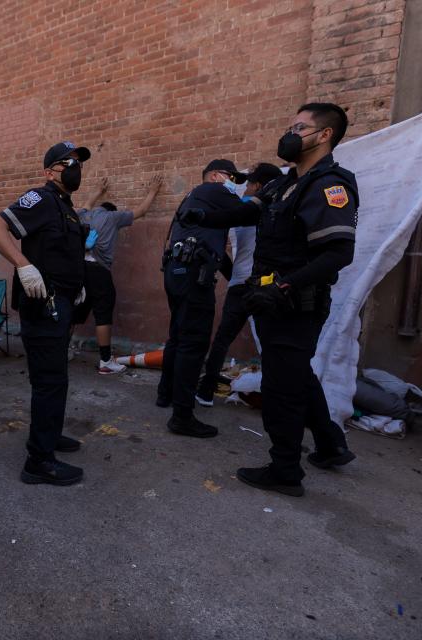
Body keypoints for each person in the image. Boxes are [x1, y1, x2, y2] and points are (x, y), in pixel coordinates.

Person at [179, 103, 358, 496]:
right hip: (269, 298)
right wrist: (200, 218)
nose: (290, 133)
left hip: (294, 302)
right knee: (296, 374)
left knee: (282, 387)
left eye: (299, 127)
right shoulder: (283, 182)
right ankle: (330, 446)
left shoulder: (329, 185)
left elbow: (337, 253)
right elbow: (247, 213)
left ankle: (285, 470)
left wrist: (284, 287)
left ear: (324, 135)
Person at [0, 141, 90, 486]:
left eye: (78, 162)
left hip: (62, 304)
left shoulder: (66, 207)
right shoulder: (40, 199)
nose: (75, 167)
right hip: (44, 306)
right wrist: (23, 265)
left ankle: (50, 436)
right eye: (67, 162)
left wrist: (78, 284)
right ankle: (38, 461)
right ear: (49, 172)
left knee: (56, 377)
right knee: (49, 381)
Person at [156, 159, 242, 437]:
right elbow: (248, 213)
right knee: (193, 343)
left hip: (176, 271)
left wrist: (236, 277)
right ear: (216, 175)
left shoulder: (195, 197)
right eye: (232, 178)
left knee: (179, 337)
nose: (234, 184)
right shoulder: (214, 191)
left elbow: (218, 251)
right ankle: (182, 416)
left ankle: (165, 394)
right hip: (194, 275)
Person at [195, 162, 282, 405]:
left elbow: (220, 249)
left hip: (241, 283)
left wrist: (233, 275)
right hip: (265, 284)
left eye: (250, 183)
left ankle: (205, 391)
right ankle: (276, 396)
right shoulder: (279, 211)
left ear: (259, 186)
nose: (246, 188)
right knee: (271, 343)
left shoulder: (242, 210)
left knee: (223, 339)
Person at [73, 174, 163, 374]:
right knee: (103, 315)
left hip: (78, 269)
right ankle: (106, 361)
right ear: (111, 210)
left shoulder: (83, 215)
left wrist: (98, 190)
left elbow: (87, 203)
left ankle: (61, 351)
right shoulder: (113, 217)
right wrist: (153, 191)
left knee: (74, 310)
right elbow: (141, 211)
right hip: (99, 272)